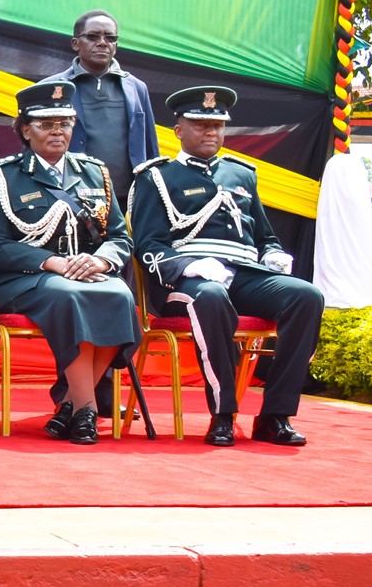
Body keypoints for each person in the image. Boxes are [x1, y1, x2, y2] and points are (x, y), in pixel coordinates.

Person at [128, 86, 324, 446]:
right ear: (179, 131)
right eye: (201, 125)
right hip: (185, 281)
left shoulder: (242, 174)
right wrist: (190, 266)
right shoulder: (156, 177)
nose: (211, 132)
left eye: (217, 126)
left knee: (306, 296)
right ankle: (223, 414)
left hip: (245, 274)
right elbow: (148, 246)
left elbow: (264, 236)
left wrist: (273, 255)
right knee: (211, 297)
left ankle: (274, 416)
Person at [0, 82, 138, 445]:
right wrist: (51, 262)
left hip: (86, 273)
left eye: (65, 123)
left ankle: (71, 404)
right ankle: (87, 410)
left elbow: (119, 237)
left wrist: (100, 260)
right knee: (70, 296)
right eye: (46, 123)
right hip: (25, 280)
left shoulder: (95, 171)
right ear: (25, 129)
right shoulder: (2, 175)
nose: (58, 131)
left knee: (121, 296)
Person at [38, 10, 158, 210]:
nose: (102, 43)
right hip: (70, 198)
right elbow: (34, 146)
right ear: (76, 43)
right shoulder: (51, 88)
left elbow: (150, 147)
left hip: (130, 199)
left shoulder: (136, 87)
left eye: (110, 38)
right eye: (93, 36)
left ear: (116, 46)